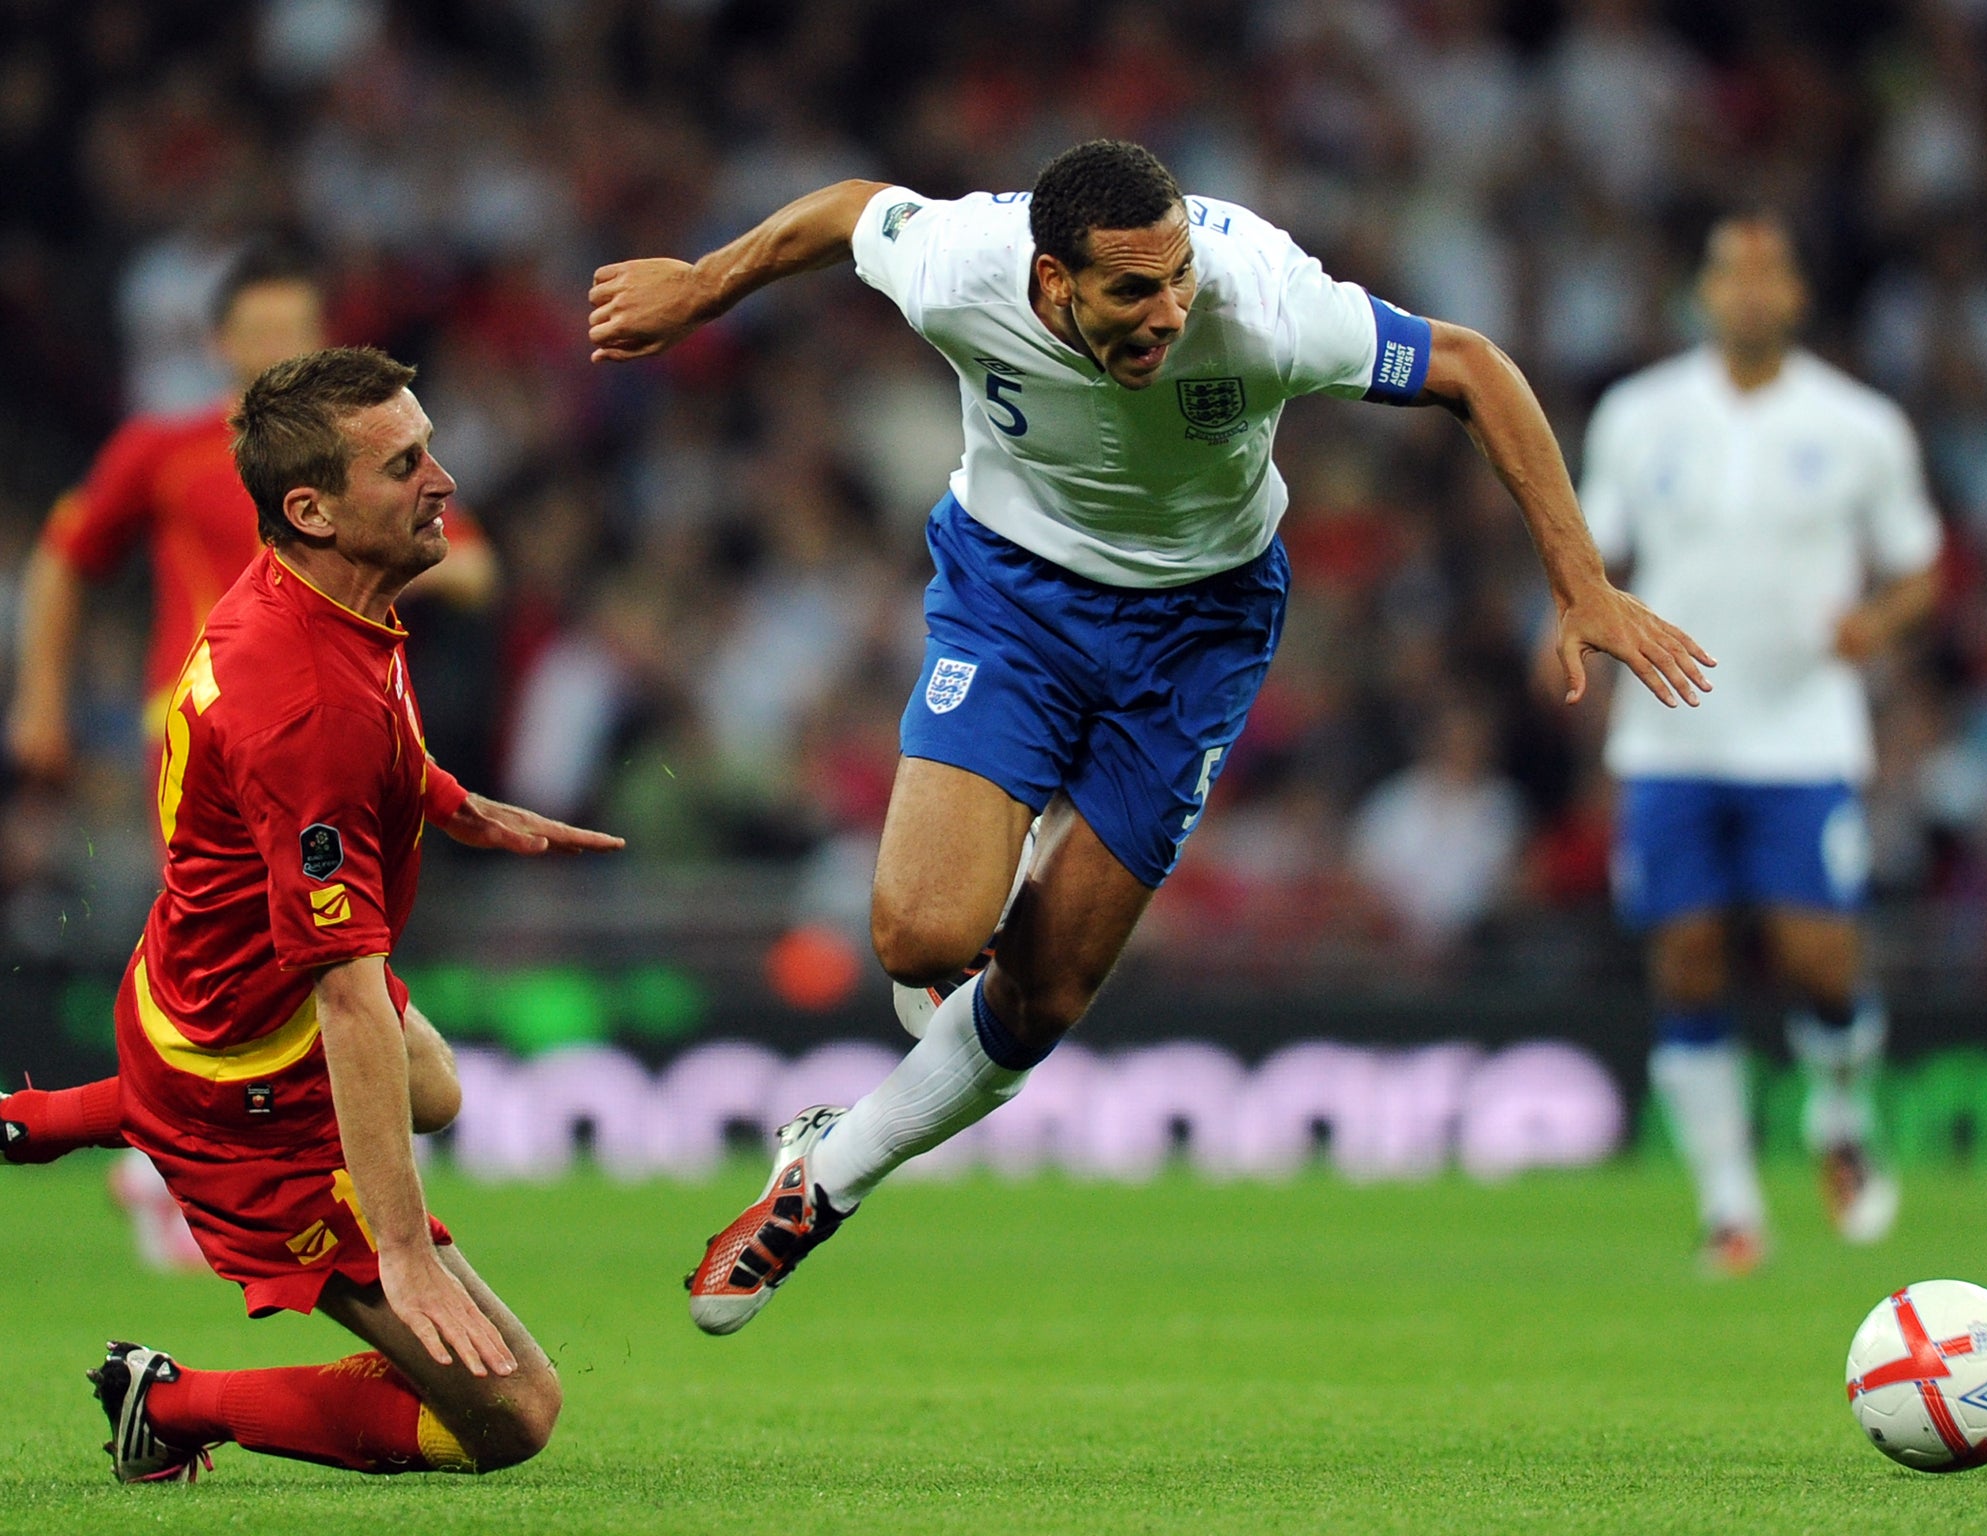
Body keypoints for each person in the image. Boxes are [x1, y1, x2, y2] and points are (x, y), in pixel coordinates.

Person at [588, 139, 1714, 1335]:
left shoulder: (1267, 303)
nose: (1168, 311)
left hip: (1198, 630)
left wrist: (1578, 582)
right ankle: (956, 946)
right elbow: (853, 212)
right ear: (1052, 281)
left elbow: (1472, 369)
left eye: (1176, 278)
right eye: (1132, 290)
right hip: (1014, 598)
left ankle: (829, 1175)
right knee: (920, 933)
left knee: (1043, 999)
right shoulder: (960, 265)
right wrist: (706, 286)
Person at [60, 345, 621, 1483]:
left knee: (441, 1092)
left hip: (207, 993)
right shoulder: (301, 698)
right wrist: (403, 1255)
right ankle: (166, 1403)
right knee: (512, 1415)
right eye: (405, 462)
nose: (444, 480)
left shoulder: (325, 600)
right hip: (247, 1088)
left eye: (430, 445)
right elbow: (349, 997)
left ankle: (114, 1108)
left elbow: (376, 752)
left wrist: (458, 807)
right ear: (311, 508)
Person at [0, 245, 497, 1260]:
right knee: (253, 960)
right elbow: (63, 556)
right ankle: (207, 1165)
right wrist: (41, 698)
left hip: (338, 737)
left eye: (293, 331)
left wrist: (385, 570)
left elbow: (479, 571)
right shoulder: (166, 450)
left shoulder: (360, 469)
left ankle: (138, 1141)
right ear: (220, 343)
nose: (275, 348)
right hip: (206, 745)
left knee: (319, 964)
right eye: (258, 333)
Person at [1577, 213, 1941, 1274]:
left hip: (1800, 732)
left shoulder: (1857, 423)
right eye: (1727, 274)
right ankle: (1730, 1207)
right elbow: (1588, 550)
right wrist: (1582, 612)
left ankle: (1837, 1117)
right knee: (1684, 957)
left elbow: (1918, 562)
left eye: (1765, 274)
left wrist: (1872, 625)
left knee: (1816, 955)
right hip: (1666, 734)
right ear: (1702, 292)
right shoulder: (1639, 415)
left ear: (1793, 296)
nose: (1745, 292)